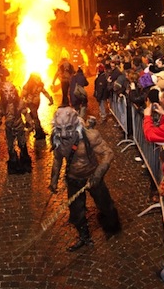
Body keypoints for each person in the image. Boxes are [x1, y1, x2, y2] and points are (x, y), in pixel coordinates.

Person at [48, 107, 121, 251]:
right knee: (76, 212)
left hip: (92, 177)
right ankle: (84, 236)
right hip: (73, 179)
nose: (63, 134)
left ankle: (112, 227)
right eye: (60, 129)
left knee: (105, 205)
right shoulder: (57, 139)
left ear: (75, 124)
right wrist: (53, 180)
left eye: (67, 128)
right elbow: (57, 160)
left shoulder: (90, 136)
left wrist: (98, 174)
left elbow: (108, 153)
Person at [0, 82, 32, 174]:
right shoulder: (1, 104)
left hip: (19, 127)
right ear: (3, 92)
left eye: (10, 91)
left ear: (14, 91)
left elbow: (25, 112)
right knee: (11, 147)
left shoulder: (19, 102)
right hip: (9, 129)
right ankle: (14, 165)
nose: (8, 94)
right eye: (6, 91)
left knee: (22, 144)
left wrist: (30, 122)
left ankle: (25, 164)